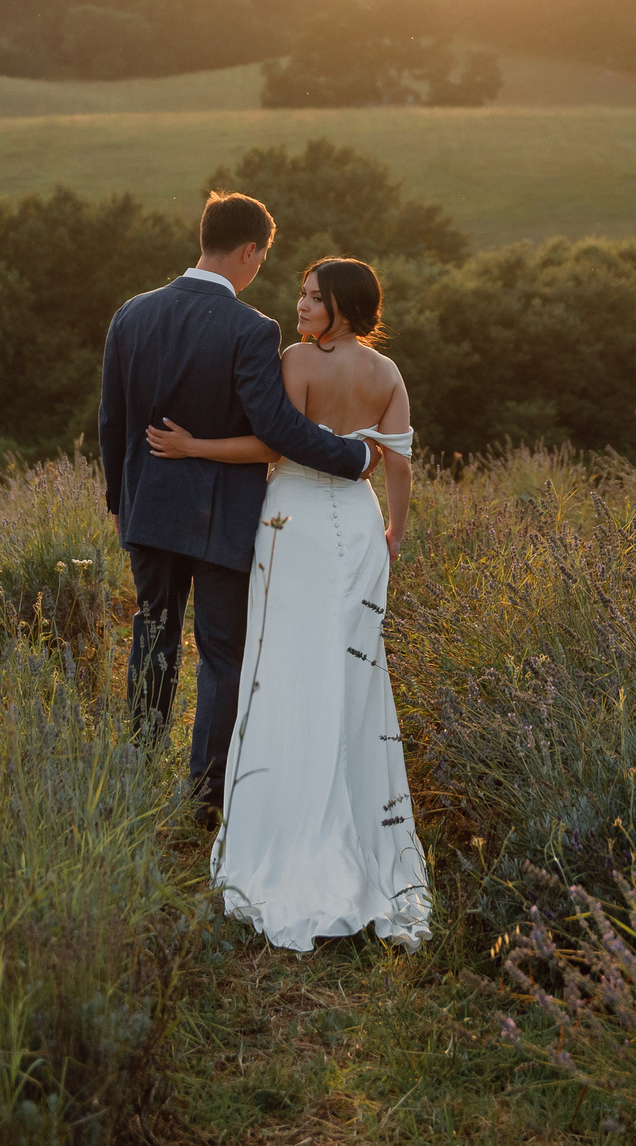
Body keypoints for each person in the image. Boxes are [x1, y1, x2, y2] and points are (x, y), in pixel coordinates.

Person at [142, 256, 431, 953]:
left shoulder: (298, 361)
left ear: (343, 306)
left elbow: (272, 444)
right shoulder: (387, 375)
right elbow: (399, 461)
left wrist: (193, 446)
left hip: (295, 522)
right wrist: (394, 530)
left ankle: (289, 829)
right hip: (359, 526)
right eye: (301, 294)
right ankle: (364, 841)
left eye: (313, 297)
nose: (300, 306)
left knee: (287, 673)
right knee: (353, 675)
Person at [97, 192, 378, 826]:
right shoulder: (252, 329)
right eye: (264, 257)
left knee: (153, 635)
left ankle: (138, 776)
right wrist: (352, 458)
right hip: (221, 517)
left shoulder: (131, 315)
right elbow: (276, 425)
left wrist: (121, 499)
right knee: (222, 654)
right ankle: (206, 800)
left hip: (148, 510)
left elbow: (111, 419)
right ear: (248, 251)